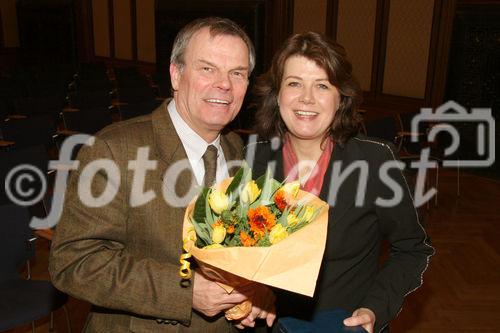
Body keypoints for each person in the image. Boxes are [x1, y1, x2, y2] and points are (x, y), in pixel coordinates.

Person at [49, 17, 275, 332]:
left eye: (237, 73)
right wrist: (183, 291)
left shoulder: (236, 148)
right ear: (176, 74)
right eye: (207, 68)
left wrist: (253, 292)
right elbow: (73, 262)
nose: (224, 84)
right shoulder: (114, 149)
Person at [248, 32, 434, 333]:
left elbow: (413, 249)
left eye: (322, 85)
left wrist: (375, 308)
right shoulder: (251, 161)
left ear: (341, 98)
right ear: (277, 94)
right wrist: (248, 293)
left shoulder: (376, 162)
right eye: (294, 83)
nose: (306, 98)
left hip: (343, 324)